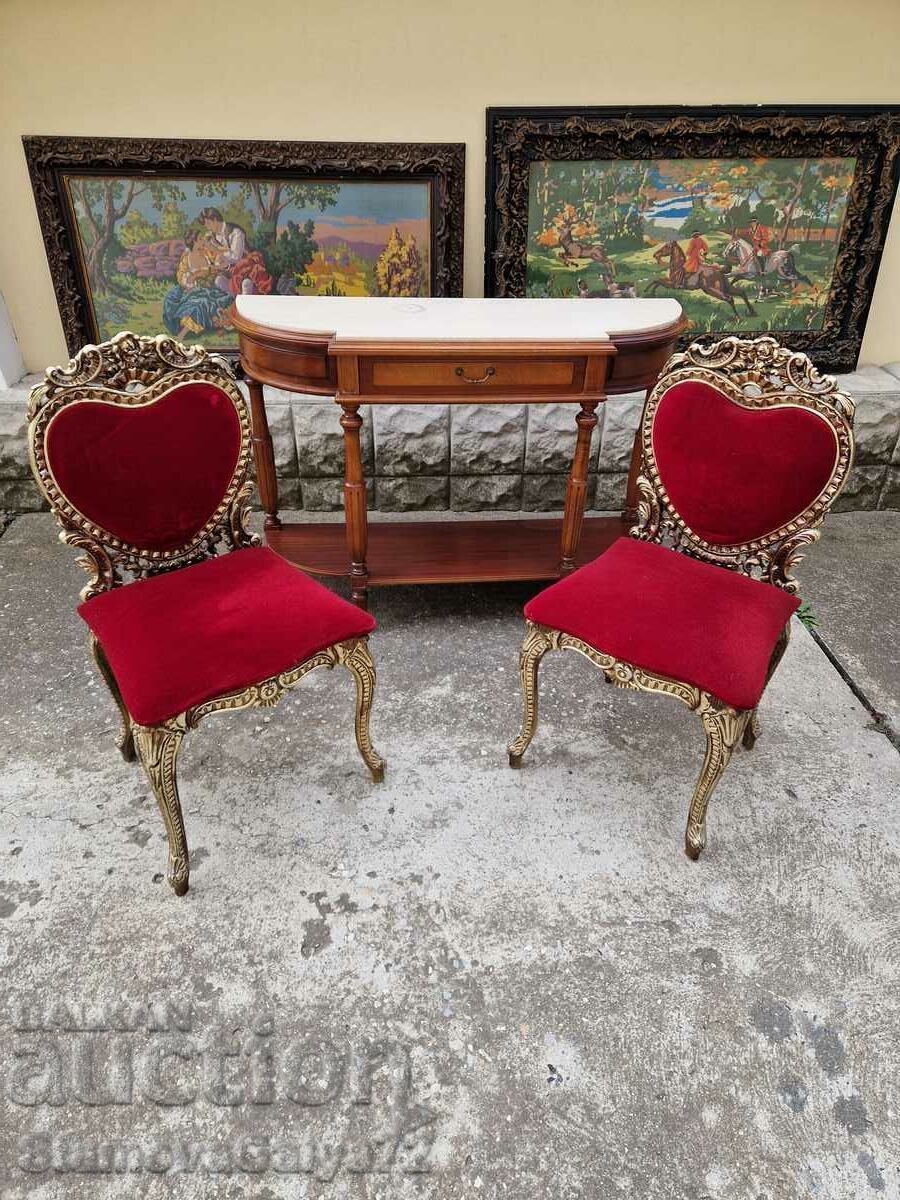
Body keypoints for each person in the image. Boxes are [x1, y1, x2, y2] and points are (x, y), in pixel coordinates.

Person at [162, 228, 233, 339]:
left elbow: (223, 257)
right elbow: (182, 277)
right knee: (198, 304)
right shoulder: (187, 258)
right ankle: (183, 333)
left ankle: (220, 326)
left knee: (213, 302)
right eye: (200, 238)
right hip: (193, 290)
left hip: (211, 289)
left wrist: (213, 266)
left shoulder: (207, 253)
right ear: (193, 241)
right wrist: (194, 277)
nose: (203, 240)